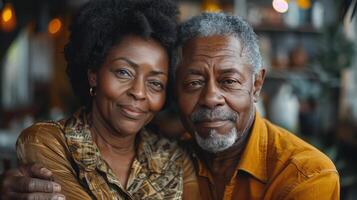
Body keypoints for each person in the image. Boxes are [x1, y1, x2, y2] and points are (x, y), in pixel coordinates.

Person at [1, 12, 340, 200]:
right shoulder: (185, 153)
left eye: (155, 83)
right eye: (193, 82)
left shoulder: (305, 176)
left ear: (257, 84)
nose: (210, 97)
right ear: (93, 74)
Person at [0, 0, 201, 199]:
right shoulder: (48, 141)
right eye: (124, 72)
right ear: (94, 73)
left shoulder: (175, 159)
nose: (139, 92)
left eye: (156, 83)